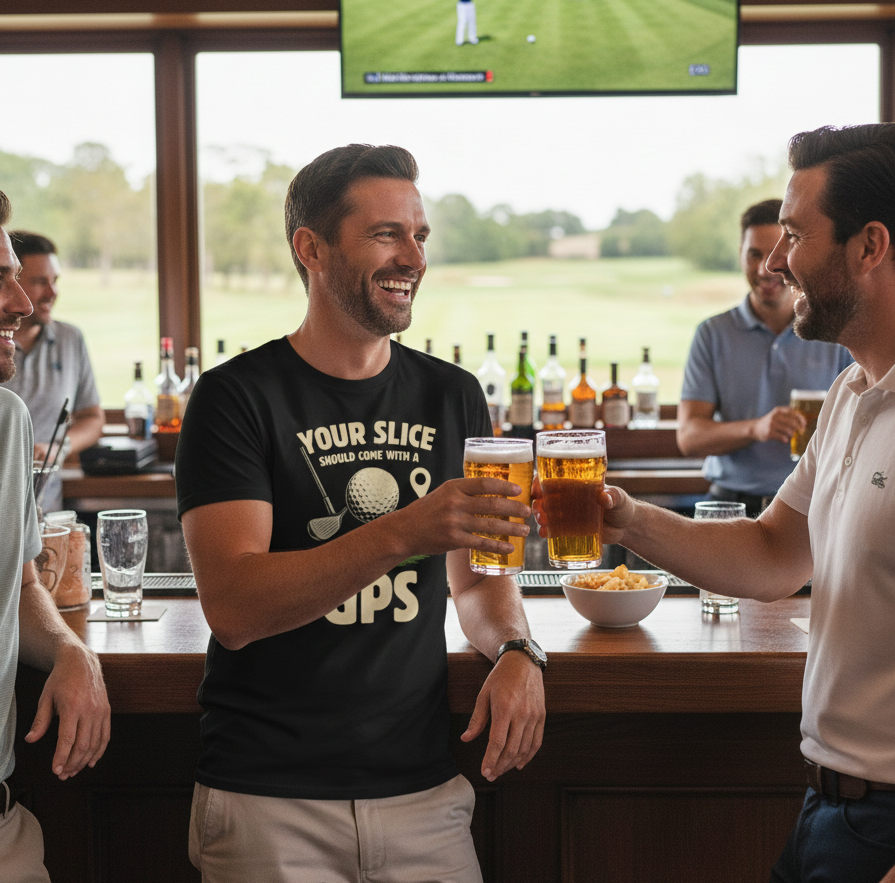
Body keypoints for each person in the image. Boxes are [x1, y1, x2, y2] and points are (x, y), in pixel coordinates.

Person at [175, 144, 545, 883]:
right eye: (386, 234)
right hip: (267, 799)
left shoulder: (453, 395)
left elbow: (477, 581)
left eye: (419, 236)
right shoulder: (234, 398)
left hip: (423, 791)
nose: (412, 256)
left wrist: (514, 649)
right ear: (310, 248)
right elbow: (236, 606)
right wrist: (406, 529)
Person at [536, 123, 895, 883]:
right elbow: (771, 553)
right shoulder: (848, 393)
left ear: (869, 247)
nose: (771, 263)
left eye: (793, 235)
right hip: (826, 809)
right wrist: (627, 518)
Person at [0, 191, 110, 882]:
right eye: (0, 280)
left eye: (20, 277)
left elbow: (20, 583)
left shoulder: (7, 422)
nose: (21, 302)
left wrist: (70, 650)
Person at [676, 199, 852, 515]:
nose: (765, 268)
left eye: (776, 254)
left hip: (812, 505)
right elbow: (689, 438)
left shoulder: (834, 333)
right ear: (740, 256)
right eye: (754, 255)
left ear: (795, 256)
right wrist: (756, 428)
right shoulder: (713, 334)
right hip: (729, 505)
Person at [4, 232, 104, 513]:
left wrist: (58, 448)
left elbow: (93, 417)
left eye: (55, 280)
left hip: (48, 512)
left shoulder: (71, 339)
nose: (52, 292)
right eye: (40, 281)